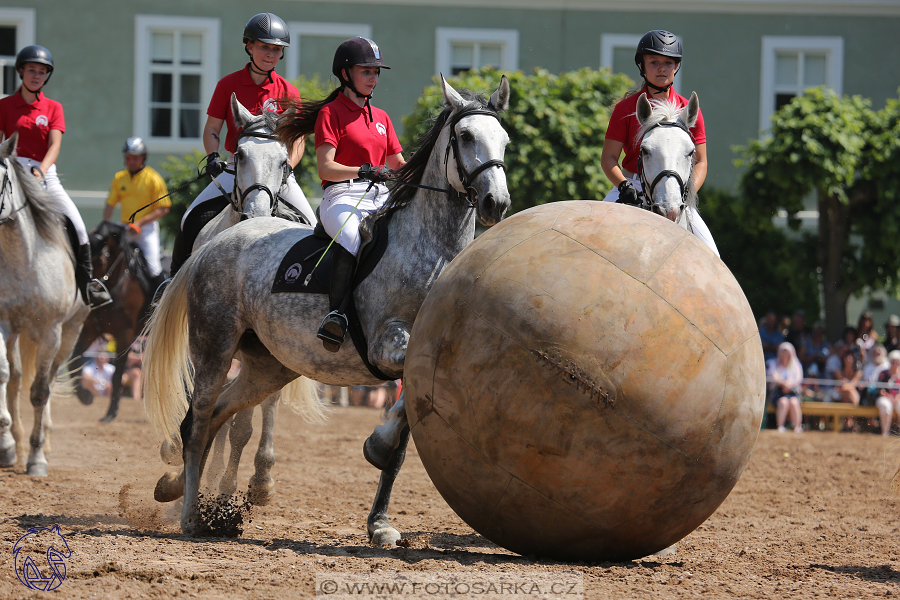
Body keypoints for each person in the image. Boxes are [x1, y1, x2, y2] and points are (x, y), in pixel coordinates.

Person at [276, 37, 405, 352]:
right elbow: (326, 168)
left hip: (379, 196)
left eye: (377, 72)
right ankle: (337, 315)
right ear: (346, 74)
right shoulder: (331, 113)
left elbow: (399, 165)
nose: (374, 78)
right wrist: (363, 170)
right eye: (367, 71)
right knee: (351, 235)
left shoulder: (383, 118)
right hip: (341, 197)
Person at [171, 12, 317, 274]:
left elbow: (297, 142)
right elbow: (212, 128)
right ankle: (170, 285)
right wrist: (213, 156)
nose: (271, 54)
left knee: (312, 222)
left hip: (278, 172)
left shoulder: (288, 92)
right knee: (188, 220)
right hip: (236, 168)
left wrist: (288, 167)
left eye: (276, 49)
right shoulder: (228, 85)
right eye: (264, 47)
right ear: (249, 46)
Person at [0, 45, 110, 307]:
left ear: (46, 76)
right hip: (10, 171)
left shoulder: (53, 107)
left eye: (41, 72)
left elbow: (55, 146)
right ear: (20, 72)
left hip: (43, 172)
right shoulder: (3, 106)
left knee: (79, 225)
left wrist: (41, 170)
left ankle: (88, 286)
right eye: (31, 71)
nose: (36, 76)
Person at [600, 30, 717, 257]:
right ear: (642, 66)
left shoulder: (689, 110)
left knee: (713, 256)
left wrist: (686, 191)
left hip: (676, 191)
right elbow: (609, 158)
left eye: (668, 62)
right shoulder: (625, 109)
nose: (661, 68)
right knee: (593, 244)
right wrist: (623, 186)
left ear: (676, 67)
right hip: (631, 188)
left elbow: (701, 161)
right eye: (654, 62)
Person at [102, 137, 170, 293]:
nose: (131, 162)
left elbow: (163, 208)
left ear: (143, 158)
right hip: (124, 227)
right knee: (104, 256)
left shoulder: (153, 178)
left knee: (153, 267)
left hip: (145, 229)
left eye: (135, 158)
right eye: (128, 158)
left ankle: (161, 299)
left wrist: (139, 223)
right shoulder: (119, 178)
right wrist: (105, 224)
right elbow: (110, 204)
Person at [768, 342, 804, 433]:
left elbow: (799, 379)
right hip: (777, 392)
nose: (785, 355)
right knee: (783, 402)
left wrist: (789, 386)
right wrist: (784, 384)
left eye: (787, 352)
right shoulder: (773, 363)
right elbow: (774, 377)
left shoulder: (796, 365)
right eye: (783, 352)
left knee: (794, 402)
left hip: (793, 391)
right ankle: (780, 426)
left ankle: (797, 427)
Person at [875, 350, 900, 436]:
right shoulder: (883, 373)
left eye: (897, 362)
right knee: (886, 406)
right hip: (885, 398)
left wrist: (897, 397)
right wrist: (889, 396)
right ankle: (885, 432)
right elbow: (880, 390)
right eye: (894, 362)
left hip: (897, 399)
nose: (895, 364)